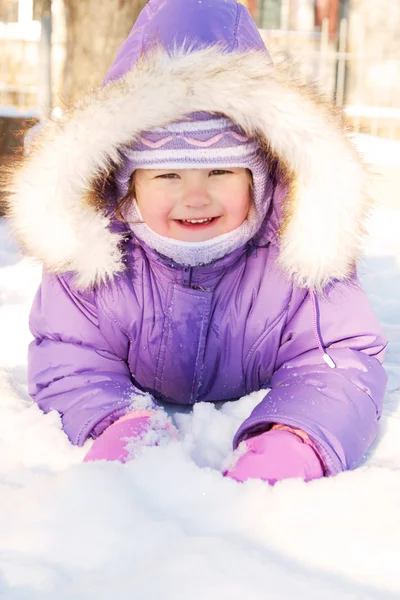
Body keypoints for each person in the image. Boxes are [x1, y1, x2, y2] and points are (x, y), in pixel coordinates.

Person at [7, 0, 387, 484]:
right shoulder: (95, 257)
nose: (195, 195)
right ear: (127, 186)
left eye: (221, 171)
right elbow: (70, 355)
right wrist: (113, 419)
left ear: (261, 180)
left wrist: (299, 435)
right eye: (167, 174)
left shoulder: (298, 253)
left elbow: (339, 358)